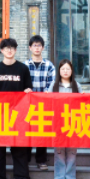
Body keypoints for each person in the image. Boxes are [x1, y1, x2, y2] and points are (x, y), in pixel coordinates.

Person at [0, 38, 33, 179]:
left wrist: (28, 90)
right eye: (6, 48)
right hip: (0, 114)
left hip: (19, 114)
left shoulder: (23, 69)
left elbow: (29, 88)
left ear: (16, 50)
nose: (9, 50)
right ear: (1, 50)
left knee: (19, 147)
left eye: (12, 48)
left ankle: (22, 178)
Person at [45, 59, 82, 179]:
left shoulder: (77, 86)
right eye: (63, 69)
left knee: (72, 151)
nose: (65, 71)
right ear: (59, 71)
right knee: (59, 152)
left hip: (73, 122)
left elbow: (82, 103)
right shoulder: (53, 86)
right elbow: (48, 103)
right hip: (58, 123)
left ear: (72, 71)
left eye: (68, 69)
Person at [25, 35, 55, 170]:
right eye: (34, 45)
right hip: (28, 104)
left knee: (42, 131)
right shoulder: (25, 65)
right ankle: (25, 159)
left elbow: (51, 84)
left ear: (43, 48)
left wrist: (45, 95)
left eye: (39, 45)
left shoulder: (49, 66)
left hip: (44, 104)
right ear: (30, 48)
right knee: (27, 131)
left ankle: (41, 160)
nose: (36, 48)